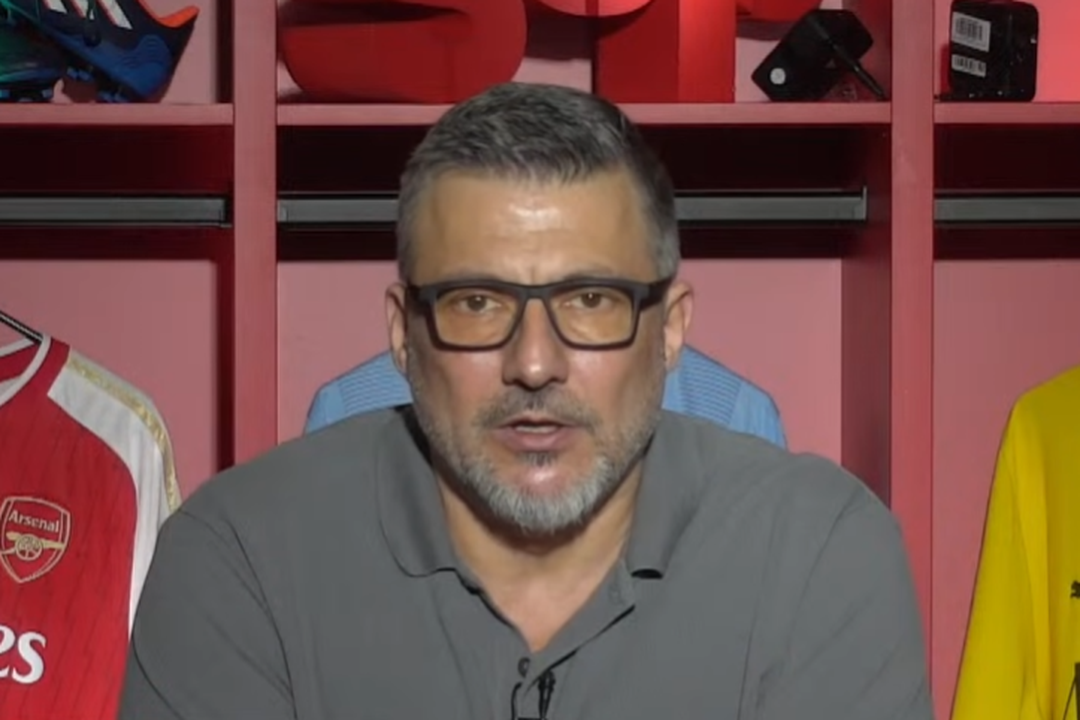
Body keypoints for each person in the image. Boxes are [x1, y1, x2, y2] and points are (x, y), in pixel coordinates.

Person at [118, 82, 933, 720]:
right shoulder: (239, 557)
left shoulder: (819, 552)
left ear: (671, 329)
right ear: (403, 333)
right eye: (477, 303)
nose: (534, 365)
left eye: (591, 301)